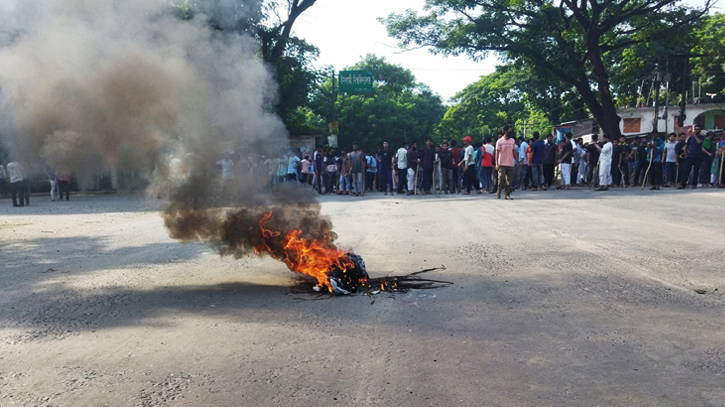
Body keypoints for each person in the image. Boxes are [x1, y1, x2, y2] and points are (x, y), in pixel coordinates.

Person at [495, 125, 517, 200]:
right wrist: (496, 163)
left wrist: (517, 161)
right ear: (505, 131)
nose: (511, 132)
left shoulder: (512, 141)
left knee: (509, 180)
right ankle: (499, 190)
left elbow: (514, 152)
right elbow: (497, 153)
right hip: (502, 163)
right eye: (509, 130)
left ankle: (507, 194)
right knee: (501, 178)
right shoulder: (499, 141)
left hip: (510, 163)